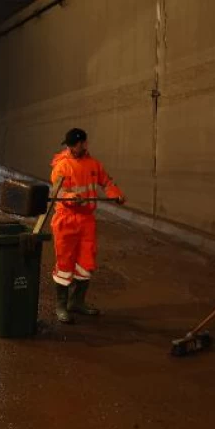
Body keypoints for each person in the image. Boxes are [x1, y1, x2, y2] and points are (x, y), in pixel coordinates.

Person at [50, 128, 126, 323]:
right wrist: (69, 197)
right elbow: (57, 191)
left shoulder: (94, 165)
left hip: (86, 221)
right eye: (70, 146)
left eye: (75, 145)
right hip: (66, 220)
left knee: (85, 263)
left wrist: (115, 194)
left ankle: (76, 303)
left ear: (83, 144)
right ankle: (61, 306)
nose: (72, 148)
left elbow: (107, 182)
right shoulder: (61, 166)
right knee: (65, 264)